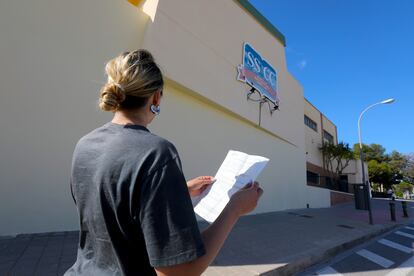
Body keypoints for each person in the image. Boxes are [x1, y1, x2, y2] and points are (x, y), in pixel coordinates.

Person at [64, 50, 263, 276]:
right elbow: (179, 272)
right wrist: (234, 209)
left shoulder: (84, 145)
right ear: (156, 97)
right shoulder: (157, 153)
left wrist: (178, 191)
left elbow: (109, 201)